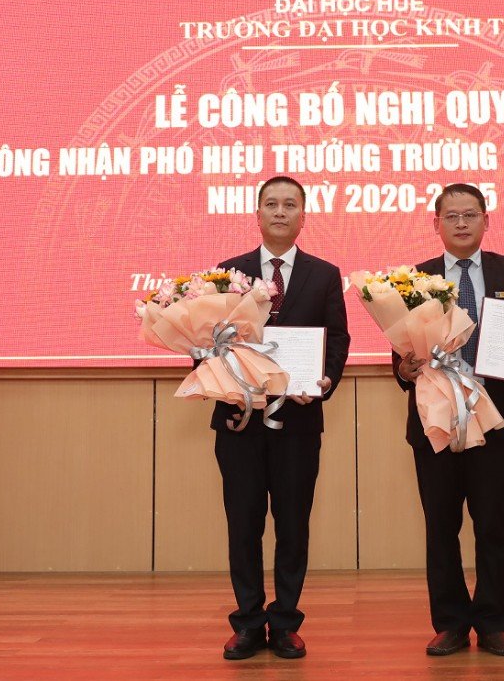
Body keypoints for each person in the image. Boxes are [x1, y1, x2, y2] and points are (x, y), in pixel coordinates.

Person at [394, 183, 504, 658]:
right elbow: (400, 350)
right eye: (451, 215)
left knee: (492, 523)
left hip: (494, 416)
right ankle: (451, 623)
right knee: (441, 525)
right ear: (434, 223)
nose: (461, 223)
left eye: (470, 214)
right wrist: (404, 368)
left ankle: (494, 622)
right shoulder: (416, 277)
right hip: (435, 419)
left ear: (485, 220)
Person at [213, 175, 350, 661]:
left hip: (298, 422)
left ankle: (286, 621)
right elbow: (205, 342)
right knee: (243, 523)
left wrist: (326, 381)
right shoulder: (227, 273)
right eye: (271, 204)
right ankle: (248, 622)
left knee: (293, 524)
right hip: (239, 421)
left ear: (303, 215)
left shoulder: (324, 274)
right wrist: (220, 377)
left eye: (290, 204)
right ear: (257, 213)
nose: (280, 212)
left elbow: (337, 339)